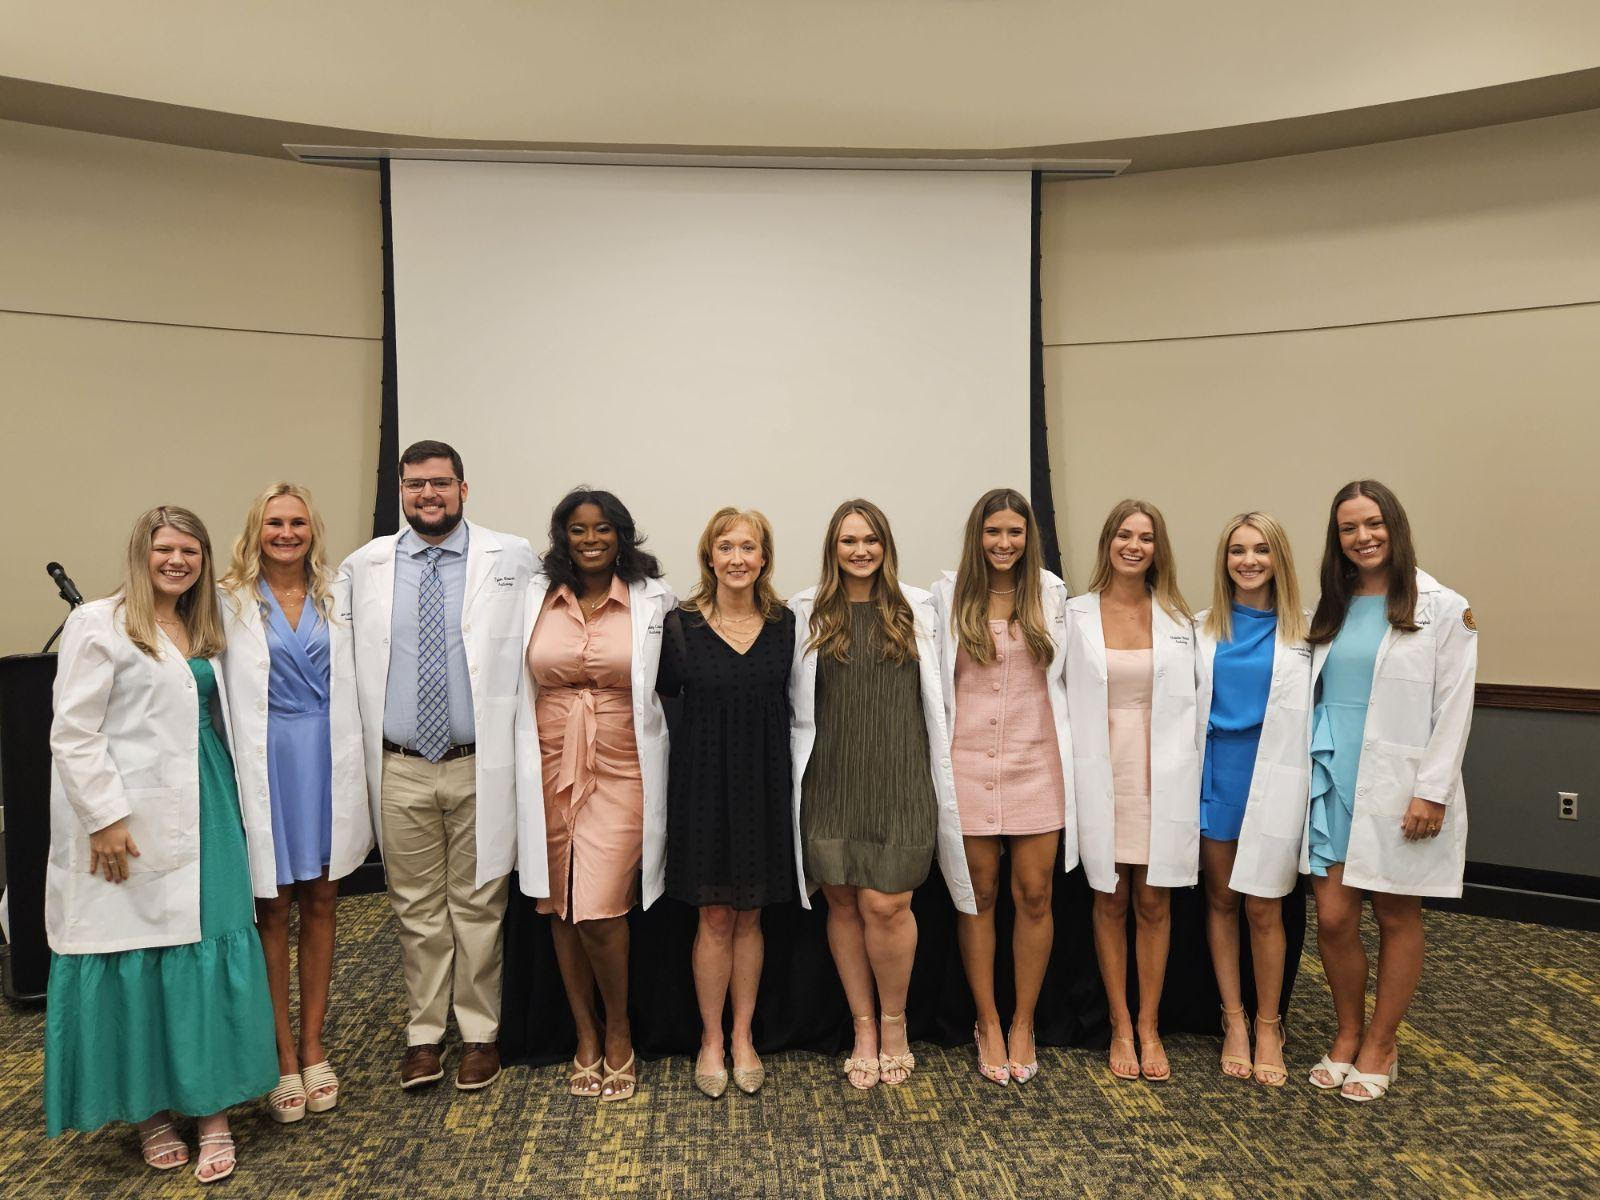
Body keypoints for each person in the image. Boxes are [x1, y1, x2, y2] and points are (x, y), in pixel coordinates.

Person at [44, 506, 276, 1184]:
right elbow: (74, 732)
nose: (177, 561)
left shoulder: (206, 624)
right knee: (138, 955)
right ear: (141, 554)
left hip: (208, 805)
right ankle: (149, 1112)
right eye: (165, 550)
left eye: (191, 552)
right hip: (130, 820)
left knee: (213, 942)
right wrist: (105, 817)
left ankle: (212, 1112)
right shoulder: (100, 624)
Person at [339, 440, 537, 1091]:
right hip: (400, 767)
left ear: (463, 489)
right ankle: (424, 1035)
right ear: (401, 490)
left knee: (479, 903)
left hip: (479, 762)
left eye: (441, 483)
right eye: (417, 484)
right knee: (415, 907)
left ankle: (480, 1033)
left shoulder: (511, 558)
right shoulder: (365, 566)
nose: (429, 494)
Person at [790, 499, 976, 1090]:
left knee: (887, 905)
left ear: (886, 545)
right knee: (843, 903)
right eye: (848, 541)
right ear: (832, 548)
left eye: (870, 539)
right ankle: (863, 1026)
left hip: (900, 779)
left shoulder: (919, 610)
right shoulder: (807, 613)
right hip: (831, 778)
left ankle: (895, 1023)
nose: (860, 550)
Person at [1304, 480, 1476, 1103]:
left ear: (1394, 525)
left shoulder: (1443, 607)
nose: (1363, 537)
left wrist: (1431, 792)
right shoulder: (1330, 606)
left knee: (1395, 914)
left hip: (1403, 789)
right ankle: (1348, 1033)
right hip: (1334, 780)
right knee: (1332, 917)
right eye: (1349, 528)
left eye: (1373, 524)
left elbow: (1455, 709)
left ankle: (1382, 1042)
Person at [218, 483, 372, 1121]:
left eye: (298, 522)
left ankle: (315, 1045)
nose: (286, 532)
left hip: (327, 758)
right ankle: (281, 1056)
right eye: (274, 522)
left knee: (323, 898)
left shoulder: (341, 592)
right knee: (271, 907)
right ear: (256, 530)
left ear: (314, 530)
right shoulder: (225, 600)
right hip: (264, 758)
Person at [517, 487, 672, 1102]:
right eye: (578, 530)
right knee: (560, 903)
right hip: (548, 761)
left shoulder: (651, 599)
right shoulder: (535, 597)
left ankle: (619, 1030)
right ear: (562, 536)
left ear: (622, 535)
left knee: (602, 905)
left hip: (623, 763)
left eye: (603, 529)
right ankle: (583, 1032)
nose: (590, 540)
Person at [931, 488, 1074, 1086]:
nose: (1004, 543)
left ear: (1028, 537)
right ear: (977, 535)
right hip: (967, 768)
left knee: (1035, 895)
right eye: (994, 532)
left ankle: (1023, 1021)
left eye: (1015, 532)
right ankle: (987, 1020)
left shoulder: (1052, 595)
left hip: (1036, 766)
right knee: (979, 895)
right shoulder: (948, 595)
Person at [657, 508, 798, 1098]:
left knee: (752, 915)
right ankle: (710, 1039)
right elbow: (662, 708)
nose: (737, 557)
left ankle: (744, 1037)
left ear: (764, 558)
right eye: (726, 546)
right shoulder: (680, 625)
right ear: (708, 556)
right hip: (703, 786)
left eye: (749, 547)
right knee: (713, 916)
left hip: (765, 784)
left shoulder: (787, 623)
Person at [1065, 499, 1198, 1082]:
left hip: (1161, 773)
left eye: (1145, 537)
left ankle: (1149, 1024)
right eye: (1124, 535)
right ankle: (1119, 1023)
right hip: (1100, 771)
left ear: (1158, 548)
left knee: (1154, 901)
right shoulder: (1074, 614)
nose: (1134, 546)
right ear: (1108, 544)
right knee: (1110, 898)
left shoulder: (1179, 618)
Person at [1193, 512, 1312, 1087]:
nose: (1248, 560)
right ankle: (1233, 1020)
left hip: (1275, 779)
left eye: (1261, 550)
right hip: (1216, 777)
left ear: (1278, 559)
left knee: (1265, 906)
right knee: (1221, 901)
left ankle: (1270, 1023)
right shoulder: (1198, 627)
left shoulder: (1309, 634)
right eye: (1237, 550)